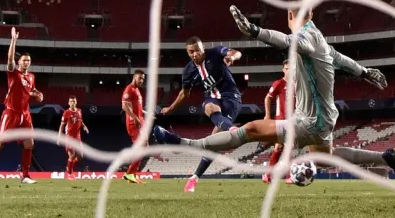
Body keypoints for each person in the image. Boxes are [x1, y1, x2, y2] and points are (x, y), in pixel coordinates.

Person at [154, 0, 395, 180]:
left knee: (252, 129)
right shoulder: (320, 39)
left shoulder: (305, 37)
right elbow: (338, 58)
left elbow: (288, 41)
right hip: (325, 120)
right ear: (312, 14)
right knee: (327, 157)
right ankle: (386, 156)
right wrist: (364, 72)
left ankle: (187, 143)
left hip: (310, 121)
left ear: (290, 15)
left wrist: (255, 31)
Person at [160, 36, 243, 193]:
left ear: (203, 48)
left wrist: (231, 57)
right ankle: (232, 130)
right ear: (187, 52)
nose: (195, 54)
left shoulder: (216, 52)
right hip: (213, 99)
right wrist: (170, 108)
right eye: (191, 52)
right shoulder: (188, 71)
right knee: (208, 106)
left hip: (231, 97)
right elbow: (184, 94)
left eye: (197, 50)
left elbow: (235, 52)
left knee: (213, 143)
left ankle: (195, 177)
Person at [0, 27, 43, 184]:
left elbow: (31, 89)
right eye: (24, 60)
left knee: (30, 143)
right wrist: (13, 41)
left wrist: (38, 94)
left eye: (28, 60)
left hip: (25, 114)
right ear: (19, 61)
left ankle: (25, 175)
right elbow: (9, 60)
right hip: (11, 113)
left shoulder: (31, 76)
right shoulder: (13, 73)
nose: (26, 62)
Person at [262, 60, 293, 184]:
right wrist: (267, 114)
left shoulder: (298, 84)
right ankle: (289, 176)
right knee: (286, 146)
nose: (289, 70)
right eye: (287, 68)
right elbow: (268, 98)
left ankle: (268, 175)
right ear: (283, 70)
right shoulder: (279, 83)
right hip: (281, 120)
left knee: (279, 147)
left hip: (293, 120)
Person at [122, 70, 147, 184]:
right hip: (133, 123)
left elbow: (139, 108)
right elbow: (124, 106)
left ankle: (132, 175)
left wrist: (146, 113)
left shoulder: (137, 90)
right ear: (134, 77)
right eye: (139, 78)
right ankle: (129, 174)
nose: (141, 81)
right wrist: (135, 118)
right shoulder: (129, 89)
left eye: (143, 79)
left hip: (140, 122)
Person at [57, 95, 89, 180]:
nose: (72, 103)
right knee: (72, 155)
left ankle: (69, 167)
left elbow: (80, 120)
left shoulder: (79, 111)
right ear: (68, 103)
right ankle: (70, 174)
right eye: (71, 101)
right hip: (69, 137)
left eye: (74, 101)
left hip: (78, 137)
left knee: (80, 156)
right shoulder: (66, 112)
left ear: (76, 102)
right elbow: (62, 125)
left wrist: (84, 126)